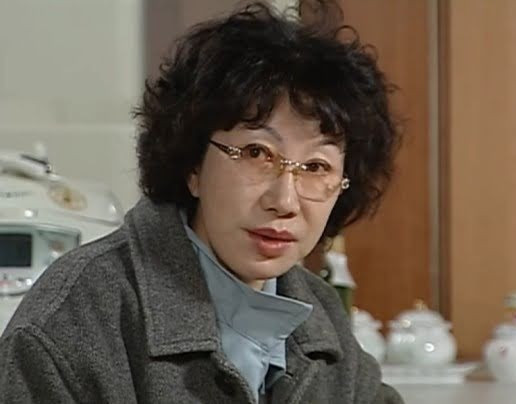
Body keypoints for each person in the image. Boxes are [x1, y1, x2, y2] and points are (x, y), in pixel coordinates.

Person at [0, 1, 404, 403]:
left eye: (316, 166)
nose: (284, 201)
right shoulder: (73, 322)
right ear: (193, 164)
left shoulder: (321, 317)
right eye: (256, 154)